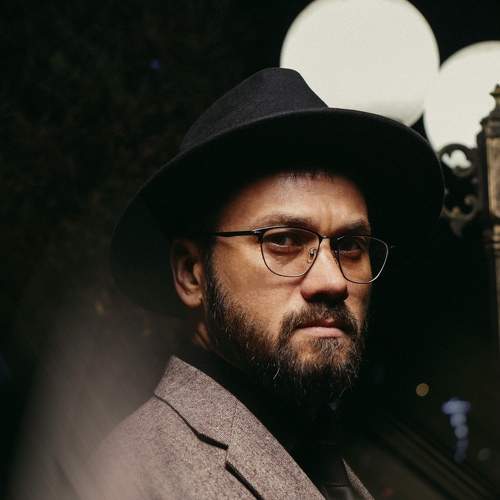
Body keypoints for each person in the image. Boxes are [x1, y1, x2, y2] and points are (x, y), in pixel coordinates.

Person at [83, 68, 443, 499]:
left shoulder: (317, 454)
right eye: (284, 241)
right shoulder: (130, 479)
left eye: (350, 245)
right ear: (192, 273)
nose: (333, 281)